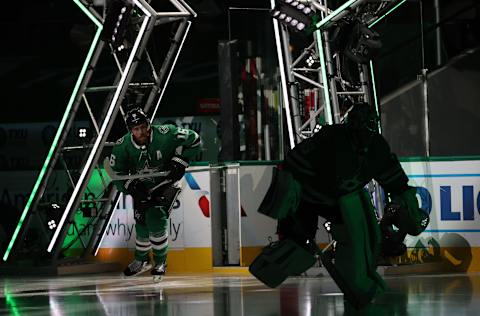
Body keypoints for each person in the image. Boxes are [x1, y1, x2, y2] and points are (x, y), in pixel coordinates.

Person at [249, 103, 429, 309]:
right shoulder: (331, 137)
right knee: (297, 243)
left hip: (338, 200)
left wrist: (407, 206)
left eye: (366, 128)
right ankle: (287, 250)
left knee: (357, 238)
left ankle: (358, 280)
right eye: (359, 128)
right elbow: (292, 164)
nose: (362, 134)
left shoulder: (377, 147)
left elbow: (396, 182)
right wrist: (289, 195)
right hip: (306, 196)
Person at [110, 107, 201, 279]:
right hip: (142, 187)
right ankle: (141, 259)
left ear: (148, 123)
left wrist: (180, 161)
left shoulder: (167, 134)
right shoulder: (122, 146)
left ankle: (160, 261)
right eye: (136, 129)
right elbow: (117, 174)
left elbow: (195, 140)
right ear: (131, 131)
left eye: (143, 126)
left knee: (155, 216)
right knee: (142, 224)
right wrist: (130, 186)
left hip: (167, 183)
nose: (141, 131)